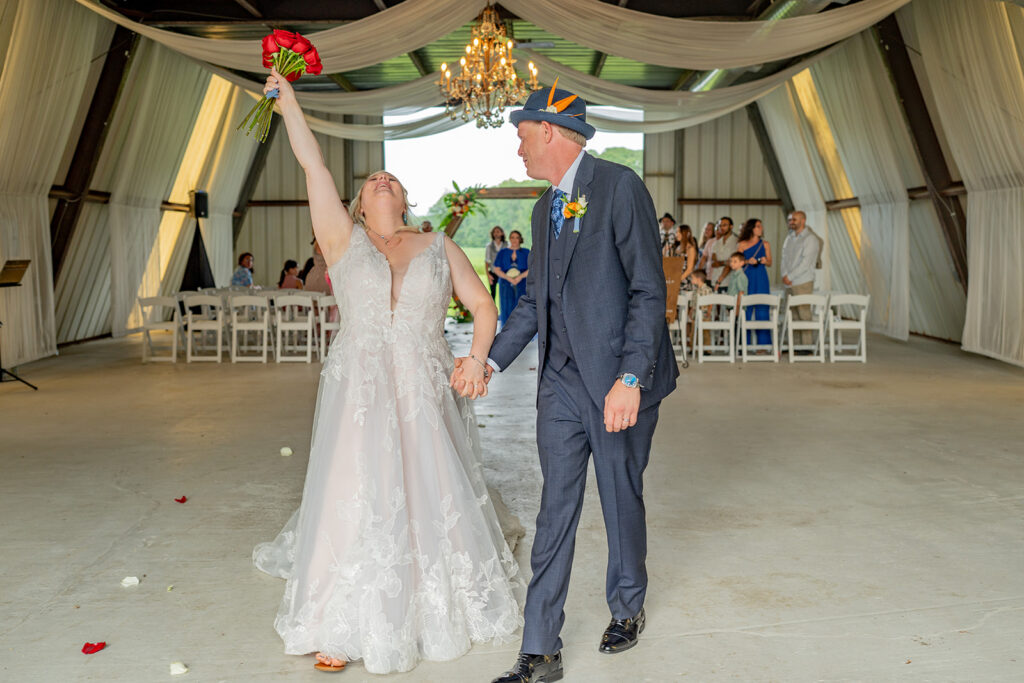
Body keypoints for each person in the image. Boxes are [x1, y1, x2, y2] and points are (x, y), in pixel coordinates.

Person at [251, 67, 523, 676]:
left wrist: (477, 359)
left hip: (424, 390)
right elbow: (313, 166)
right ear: (359, 201)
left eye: (391, 178)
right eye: (373, 177)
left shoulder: (438, 245)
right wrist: (289, 103)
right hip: (360, 391)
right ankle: (340, 618)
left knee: (429, 490)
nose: (381, 178)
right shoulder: (342, 240)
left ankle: (432, 602)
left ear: (404, 200)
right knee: (355, 491)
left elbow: (482, 308)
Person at [451, 82, 677, 683]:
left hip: (615, 383)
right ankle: (540, 649)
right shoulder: (540, 207)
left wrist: (631, 377)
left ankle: (628, 605)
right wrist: (488, 361)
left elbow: (648, 292)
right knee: (555, 508)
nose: (518, 151)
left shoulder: (619, 187)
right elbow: (532, 303)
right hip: (559, 384)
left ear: (549, 130)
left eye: (522, 137)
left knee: (620, 494)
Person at [782, 210, 819, 348]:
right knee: (792, 316)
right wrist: (784, 275)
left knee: (804, 314)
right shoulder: (789, 238)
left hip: (802, 281)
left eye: (794, 220)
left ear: (803, 220)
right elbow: (784, 258)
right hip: (788, 282)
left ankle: (806, 347)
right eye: (790, 220)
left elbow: (806, 263)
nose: (791, 222)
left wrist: (790, 276)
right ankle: (795, 346)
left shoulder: (810, 239)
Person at [737, 218, 772, 346]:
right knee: (745, 309)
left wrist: (764, 261)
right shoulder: (742, 244)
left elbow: (770, 262)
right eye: (758, 226)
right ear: (751, 228)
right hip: (746, 278)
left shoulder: (765, 244)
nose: (760, 228)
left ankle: (763, 345)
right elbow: (736, 262)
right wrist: (747, 261)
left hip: (761, 277)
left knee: (762, 309)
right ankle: (743, 344)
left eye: (761, 226)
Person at [492, 230, 530, 325]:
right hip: (505, 282)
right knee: (506, 305)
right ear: (509, 239)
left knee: (521, 305)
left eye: (517, 237)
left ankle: (522, 329)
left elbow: (532, 269)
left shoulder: (526, 252)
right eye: (512, 237)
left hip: (522, 282)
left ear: (520, 239)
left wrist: (520, 277)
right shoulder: (503, 252)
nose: (514, 240)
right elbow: (496, 269)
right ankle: (506, 329)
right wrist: (508, 278)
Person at [710, 216, 739, 292]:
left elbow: (732, 263)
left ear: (731, 226)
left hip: (729, 282)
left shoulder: (736, 242)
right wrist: (725, 262)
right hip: (715, 280)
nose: (722, 228)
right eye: (720, 225)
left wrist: (721, 263)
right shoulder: (716, 243)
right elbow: (713, 263)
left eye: (724, 225)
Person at [484, 226, 509, 302]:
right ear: (492, 234)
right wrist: (488, 275)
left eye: (498, 231)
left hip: (504, 272)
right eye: (494, 232)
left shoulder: (507, 245)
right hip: (493, 272)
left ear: (502, 233)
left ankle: (506, 311)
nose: (496, 233)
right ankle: (493, 311)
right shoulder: (489, 246)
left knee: (505, 293)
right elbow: (487, 261)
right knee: (493, 293)